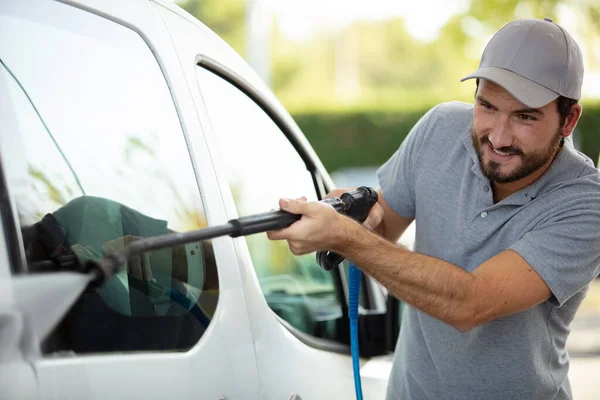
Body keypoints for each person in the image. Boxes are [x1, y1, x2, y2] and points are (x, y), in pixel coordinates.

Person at [267, 18, 600, 399]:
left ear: (568, 120)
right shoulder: (440, 130)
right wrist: (349, 216)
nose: (499, 136)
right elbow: (382, 227)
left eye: (525, 117)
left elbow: (472, 303)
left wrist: (348, 238)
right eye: (487, 106)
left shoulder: (586, 203)